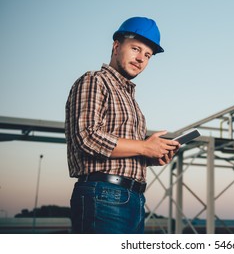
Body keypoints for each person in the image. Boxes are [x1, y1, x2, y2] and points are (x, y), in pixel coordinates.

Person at [65, 16, 180, 234]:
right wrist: (144, 146)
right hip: (103, 194)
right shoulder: (94, 81)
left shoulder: (131, 101)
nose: (141, 59)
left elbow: (123, 152)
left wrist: (151, 157)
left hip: (133, 200)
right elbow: (87, 138)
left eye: (147, 55)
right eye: (136, 49)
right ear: (116, 46)